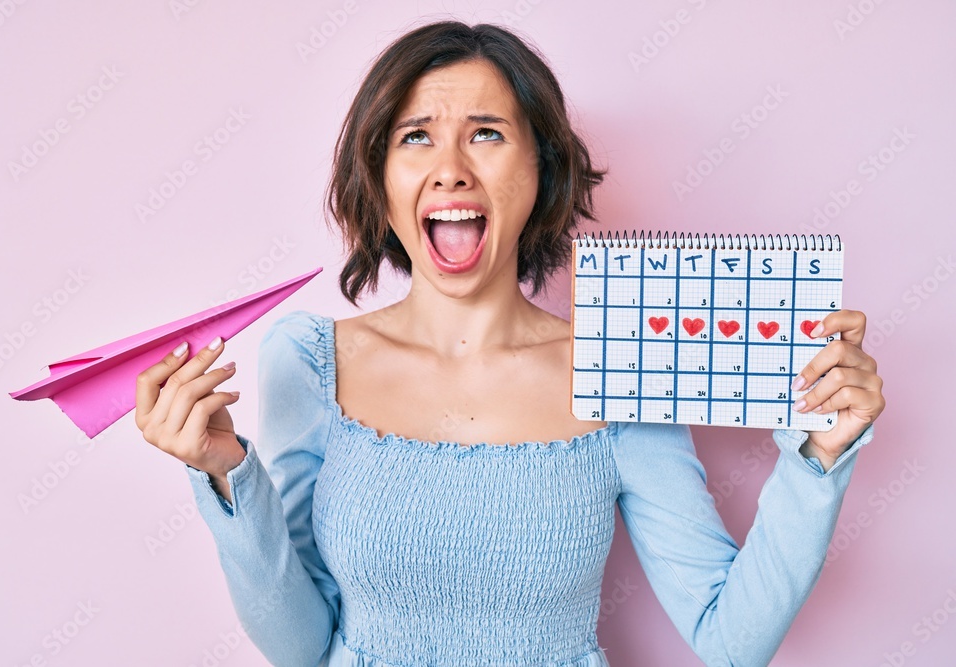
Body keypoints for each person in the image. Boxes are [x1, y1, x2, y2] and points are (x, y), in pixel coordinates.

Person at [134, 20, 885, 667]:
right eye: (415, 136)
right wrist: (226, 470)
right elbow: (299, 645)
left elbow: (731, 639)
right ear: (381, 175)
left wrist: (820, 457)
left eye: (486, 134)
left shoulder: (621, 363)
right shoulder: (306, 360)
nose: (450, 168)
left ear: (539, 169)